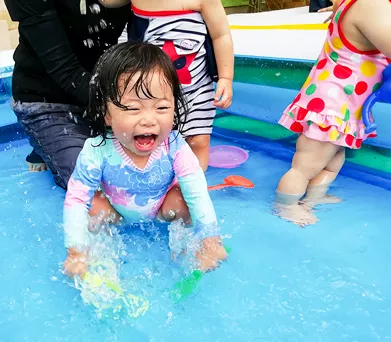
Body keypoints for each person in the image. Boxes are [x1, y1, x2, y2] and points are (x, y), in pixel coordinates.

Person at [63, 42, 228, 277]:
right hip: (116, 214)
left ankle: (179, 245)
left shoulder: (174, 146)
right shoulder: (96, 150)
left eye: (161, 107)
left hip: (162, 210)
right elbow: (76, 200)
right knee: (92, 206)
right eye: (133, 109)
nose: (149, 120)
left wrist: (210, 240)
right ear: (107, 114)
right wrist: (76, 252)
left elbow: (198, 191)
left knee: (183, 200)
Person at [274, 0, 391, 226]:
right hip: (334, 102)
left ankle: (313, 198)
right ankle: (286, 206)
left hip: (346, 101)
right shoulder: (371, 4)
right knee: (305, 166)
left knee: (334, 160)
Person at [4, 0, 131, 188]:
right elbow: (64, 68)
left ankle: (52, 144)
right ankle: (46, 138)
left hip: (101, 91)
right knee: (96, 186)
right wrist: (122, 108)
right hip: (46, 101)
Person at [99, 0, 234, 171]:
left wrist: (225, 78)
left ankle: (195, 187)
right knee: (154, 142)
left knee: (198, 141)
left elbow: (221, 35)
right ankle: (157, 184)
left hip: (197, 87)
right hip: (151, 96)